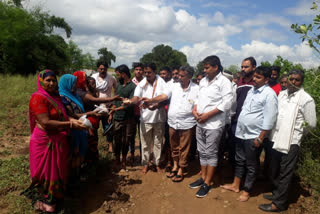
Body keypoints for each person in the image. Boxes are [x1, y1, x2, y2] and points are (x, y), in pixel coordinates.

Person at [23, 70, 85, 213]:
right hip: (44, 142)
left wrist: (75, 121)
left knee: (58, 171)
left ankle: (55, 200)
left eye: (53, 80)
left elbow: (62, 117)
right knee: (45, 173)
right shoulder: (38, 98)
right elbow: (45, 122)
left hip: (59, 140)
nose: (51, 83)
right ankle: (46, 202)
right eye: (48, 80)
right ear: (41, 81)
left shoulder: (55, 97)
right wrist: (70, 125)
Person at [259, 70, 317, 212]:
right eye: (291, 79)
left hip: (291, 142)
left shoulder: (306, 99)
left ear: (301, 82)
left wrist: (297, 135)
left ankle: (279, 204)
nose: (293, 82)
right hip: (275, 138)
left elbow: (311, 124)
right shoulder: (282, 95)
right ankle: (277, 194)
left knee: (285, 173)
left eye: (297, 80)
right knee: (274, 170)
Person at [221, 66, 278, 202]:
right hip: (241, 133)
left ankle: (247, 190)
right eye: (254, 76)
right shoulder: (252, 90)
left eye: (258, 77)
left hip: (254, 135)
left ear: (267, 79)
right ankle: (236, 185)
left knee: (251, 164)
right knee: (239, 160)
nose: (254, 79)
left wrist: (261, 137)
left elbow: (270, 118)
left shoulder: (269, 94)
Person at [142, 65, 199, 182]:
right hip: (173, 122)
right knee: (174, 146)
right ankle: (175, 165)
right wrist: (151, 100)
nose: (179, 77)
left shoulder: (196, 89)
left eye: (182, 76)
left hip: (187, 123)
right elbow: (164, 96)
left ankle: (181, 169)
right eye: (178, 75)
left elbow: (197, 105)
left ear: (190, 77)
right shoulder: (173, 86)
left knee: (184, 148)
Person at [189, 55, 233, 198]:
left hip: (213, 124)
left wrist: (208, 115)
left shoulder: (224, 82)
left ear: (215, 67)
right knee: (202, 151)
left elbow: (227, 103)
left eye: (207, 67)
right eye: (204, 67)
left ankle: (207, 182)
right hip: (200, 122)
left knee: (211, 153)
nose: (204, 70)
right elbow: (197, 99)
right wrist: (195, 111)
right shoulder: (203, 81)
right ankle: (202, 177)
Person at [124, 63, 167, 174]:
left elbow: (165, 97)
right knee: (145, 143)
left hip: (159, 118)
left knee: (158, 143)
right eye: (145, 72)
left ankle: (157, 163)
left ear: (154, 72)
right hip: (145, 118)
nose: (147, 74)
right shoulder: (142, 84)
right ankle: (146, 164)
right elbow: (136, 97)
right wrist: (130, 101)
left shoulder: (162, 82)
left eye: (149, 72)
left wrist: (151, 101)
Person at [59, 74, 100, 182]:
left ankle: (77, 176)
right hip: (72, 129)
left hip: (81, 127)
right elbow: (72, 115)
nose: (75, 85)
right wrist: (90, 113)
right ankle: (71, 179)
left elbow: (79, 113)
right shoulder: (62, 97)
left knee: (80, 154)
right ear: (67, 83)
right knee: (73, 154)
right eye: (73, 83)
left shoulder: (75, 95)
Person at [110, 64, 136, 170]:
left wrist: (116, 109)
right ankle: (117, 160)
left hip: (128, 119)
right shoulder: (118, 85)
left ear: (124, 74)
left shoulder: (133, 87)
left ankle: (124, 161)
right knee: (117, 140)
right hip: (117, 118)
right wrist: (112, 112)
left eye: (118, 74)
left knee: (126, 140)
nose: (117, 77)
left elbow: (130, 103)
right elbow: (115, 100)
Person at [92, 62, 117, 153]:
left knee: (109, 127)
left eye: (104, 69)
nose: (102, 71)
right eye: (100, 69)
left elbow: (116, 89)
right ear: (98, 68)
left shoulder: (111, 78)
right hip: (96, 106)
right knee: (94, 126)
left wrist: (113, 103)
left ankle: (110, 146)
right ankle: (95, 145)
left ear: (107, 69)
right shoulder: (93, 77)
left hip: (108, 106)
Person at [129, 62, 144, 164]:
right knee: (132, 135)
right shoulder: (131, 83)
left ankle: (143, 156)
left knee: (142, 135)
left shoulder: (146, 82)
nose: (138, 71)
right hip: (133, 113)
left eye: (140, 69)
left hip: (144, 112)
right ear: (134, 71)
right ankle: (132, 155)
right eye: (137, 69)